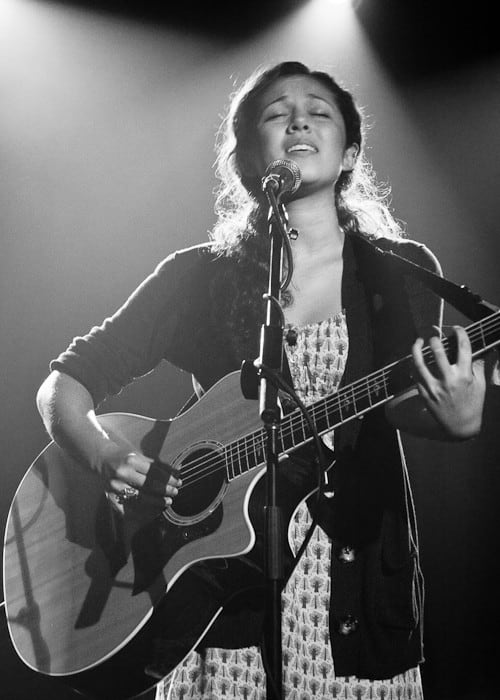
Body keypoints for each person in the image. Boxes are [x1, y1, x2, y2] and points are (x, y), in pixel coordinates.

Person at [36, 61, 491, 700]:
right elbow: (67, 382)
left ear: (351, 151)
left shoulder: (405, 272)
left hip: (349, 592)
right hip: (218, 608)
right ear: (249, 157)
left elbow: (405, 406)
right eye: (276, 113)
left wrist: (454, 417)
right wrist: (103, 452)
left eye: (319, 111)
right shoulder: (198, 276)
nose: (298, 118)